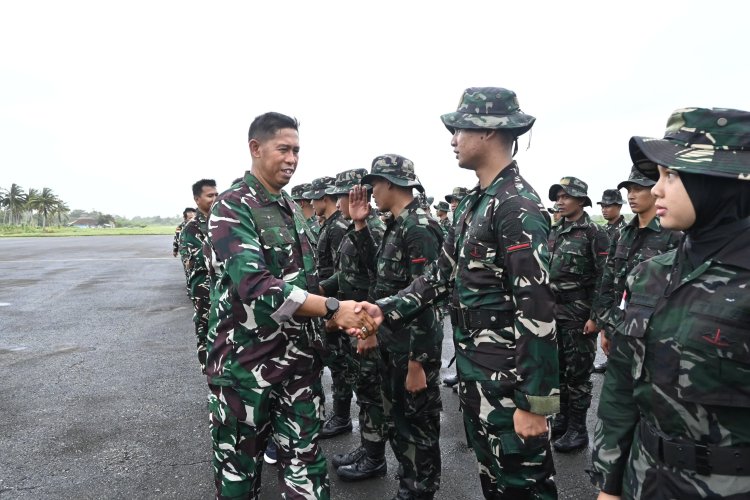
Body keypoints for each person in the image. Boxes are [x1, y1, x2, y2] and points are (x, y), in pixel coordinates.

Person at [353, 87, 559, 499]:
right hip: (477, 374)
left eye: (459, 129)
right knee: (494, 481)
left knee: (522, 486)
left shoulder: (517, 206)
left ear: (488, 133)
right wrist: (382, 310)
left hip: (508, 381)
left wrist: (535, 402)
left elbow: (536, 307)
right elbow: (437, 277)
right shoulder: (473, 206)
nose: (452, 139)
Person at [203, 111, 377, 499]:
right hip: (245, 372)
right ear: (255, 148)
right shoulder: (233, 207)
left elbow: (303, 286)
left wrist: (332, 321)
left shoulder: (290, 208)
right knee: (238, 476)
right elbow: (256, 285)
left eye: (296, 150)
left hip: (299, 367)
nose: (292, 159)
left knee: (307, 470)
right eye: (283, 149)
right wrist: (333, 307)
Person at [591, 107, 750, 499]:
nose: (657, 189)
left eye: (672, 175)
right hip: (643, 478)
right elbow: (621, 384)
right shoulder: (652, 274)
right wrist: (609, 482)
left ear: (722, 181)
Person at [350, 154, 444, 499]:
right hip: (393, 344)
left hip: (411, 350)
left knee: (417, 427)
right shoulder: (397, 223)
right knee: (399, 425)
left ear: (390, 183)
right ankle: (410, 485)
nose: (371, 192)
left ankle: (419, 490)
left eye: (374, 184)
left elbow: (430, 298)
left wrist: (418, 362)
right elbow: (382, 278)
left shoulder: (420, 227)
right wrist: (361, 227)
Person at [319, 168, 389, 481]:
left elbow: (379, 280)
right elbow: (348, 273)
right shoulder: (355, 227)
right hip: (353, 320)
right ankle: (368, 447)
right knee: (363, 386)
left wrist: (368, 332)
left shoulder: (371, 228)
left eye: (342, 195)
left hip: (367, 324)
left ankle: (375, 458)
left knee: (372, 392)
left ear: (357, 195)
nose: (338, 201)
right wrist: (321, 291)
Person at [592, 167, 681, 374]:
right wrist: (606, 326)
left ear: (655, 190)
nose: (631, 196)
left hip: (654, 335)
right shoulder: (622, 235)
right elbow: (608, 281)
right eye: (629, 190)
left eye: (638, 189)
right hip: (619, 328)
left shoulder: (673, 236)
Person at [547, 176, 609, 452]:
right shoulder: (555, 230)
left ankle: (578, 429)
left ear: (582, 200)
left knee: (578, 375)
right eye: (557, 196)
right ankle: (561, 419)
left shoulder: (594, 233)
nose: (560, 201)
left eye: (565, 196)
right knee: (557, 369)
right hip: (553, 311)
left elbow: (604, 278)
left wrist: (596, 317)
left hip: (579, 312)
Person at [306, 175, 353, 438]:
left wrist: (334, 310)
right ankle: (340, 415)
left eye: (315, 198)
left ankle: (343, 417)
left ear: (324, 198)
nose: (312, 203)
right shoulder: (329, 225)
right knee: (336, 363)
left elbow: (343, 273)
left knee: (340, 366)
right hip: (327, 301)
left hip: (335, 305)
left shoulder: (337, 228)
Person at [178, 179, 217, 373]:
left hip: (223, 289)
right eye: (210, 195)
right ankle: (211, 376)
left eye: (216, 195)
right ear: (197, 199)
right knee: (206, 333)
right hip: (204, 289)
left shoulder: (222, 222)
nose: (214, 199)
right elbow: (197, 260)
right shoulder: (191, 229)